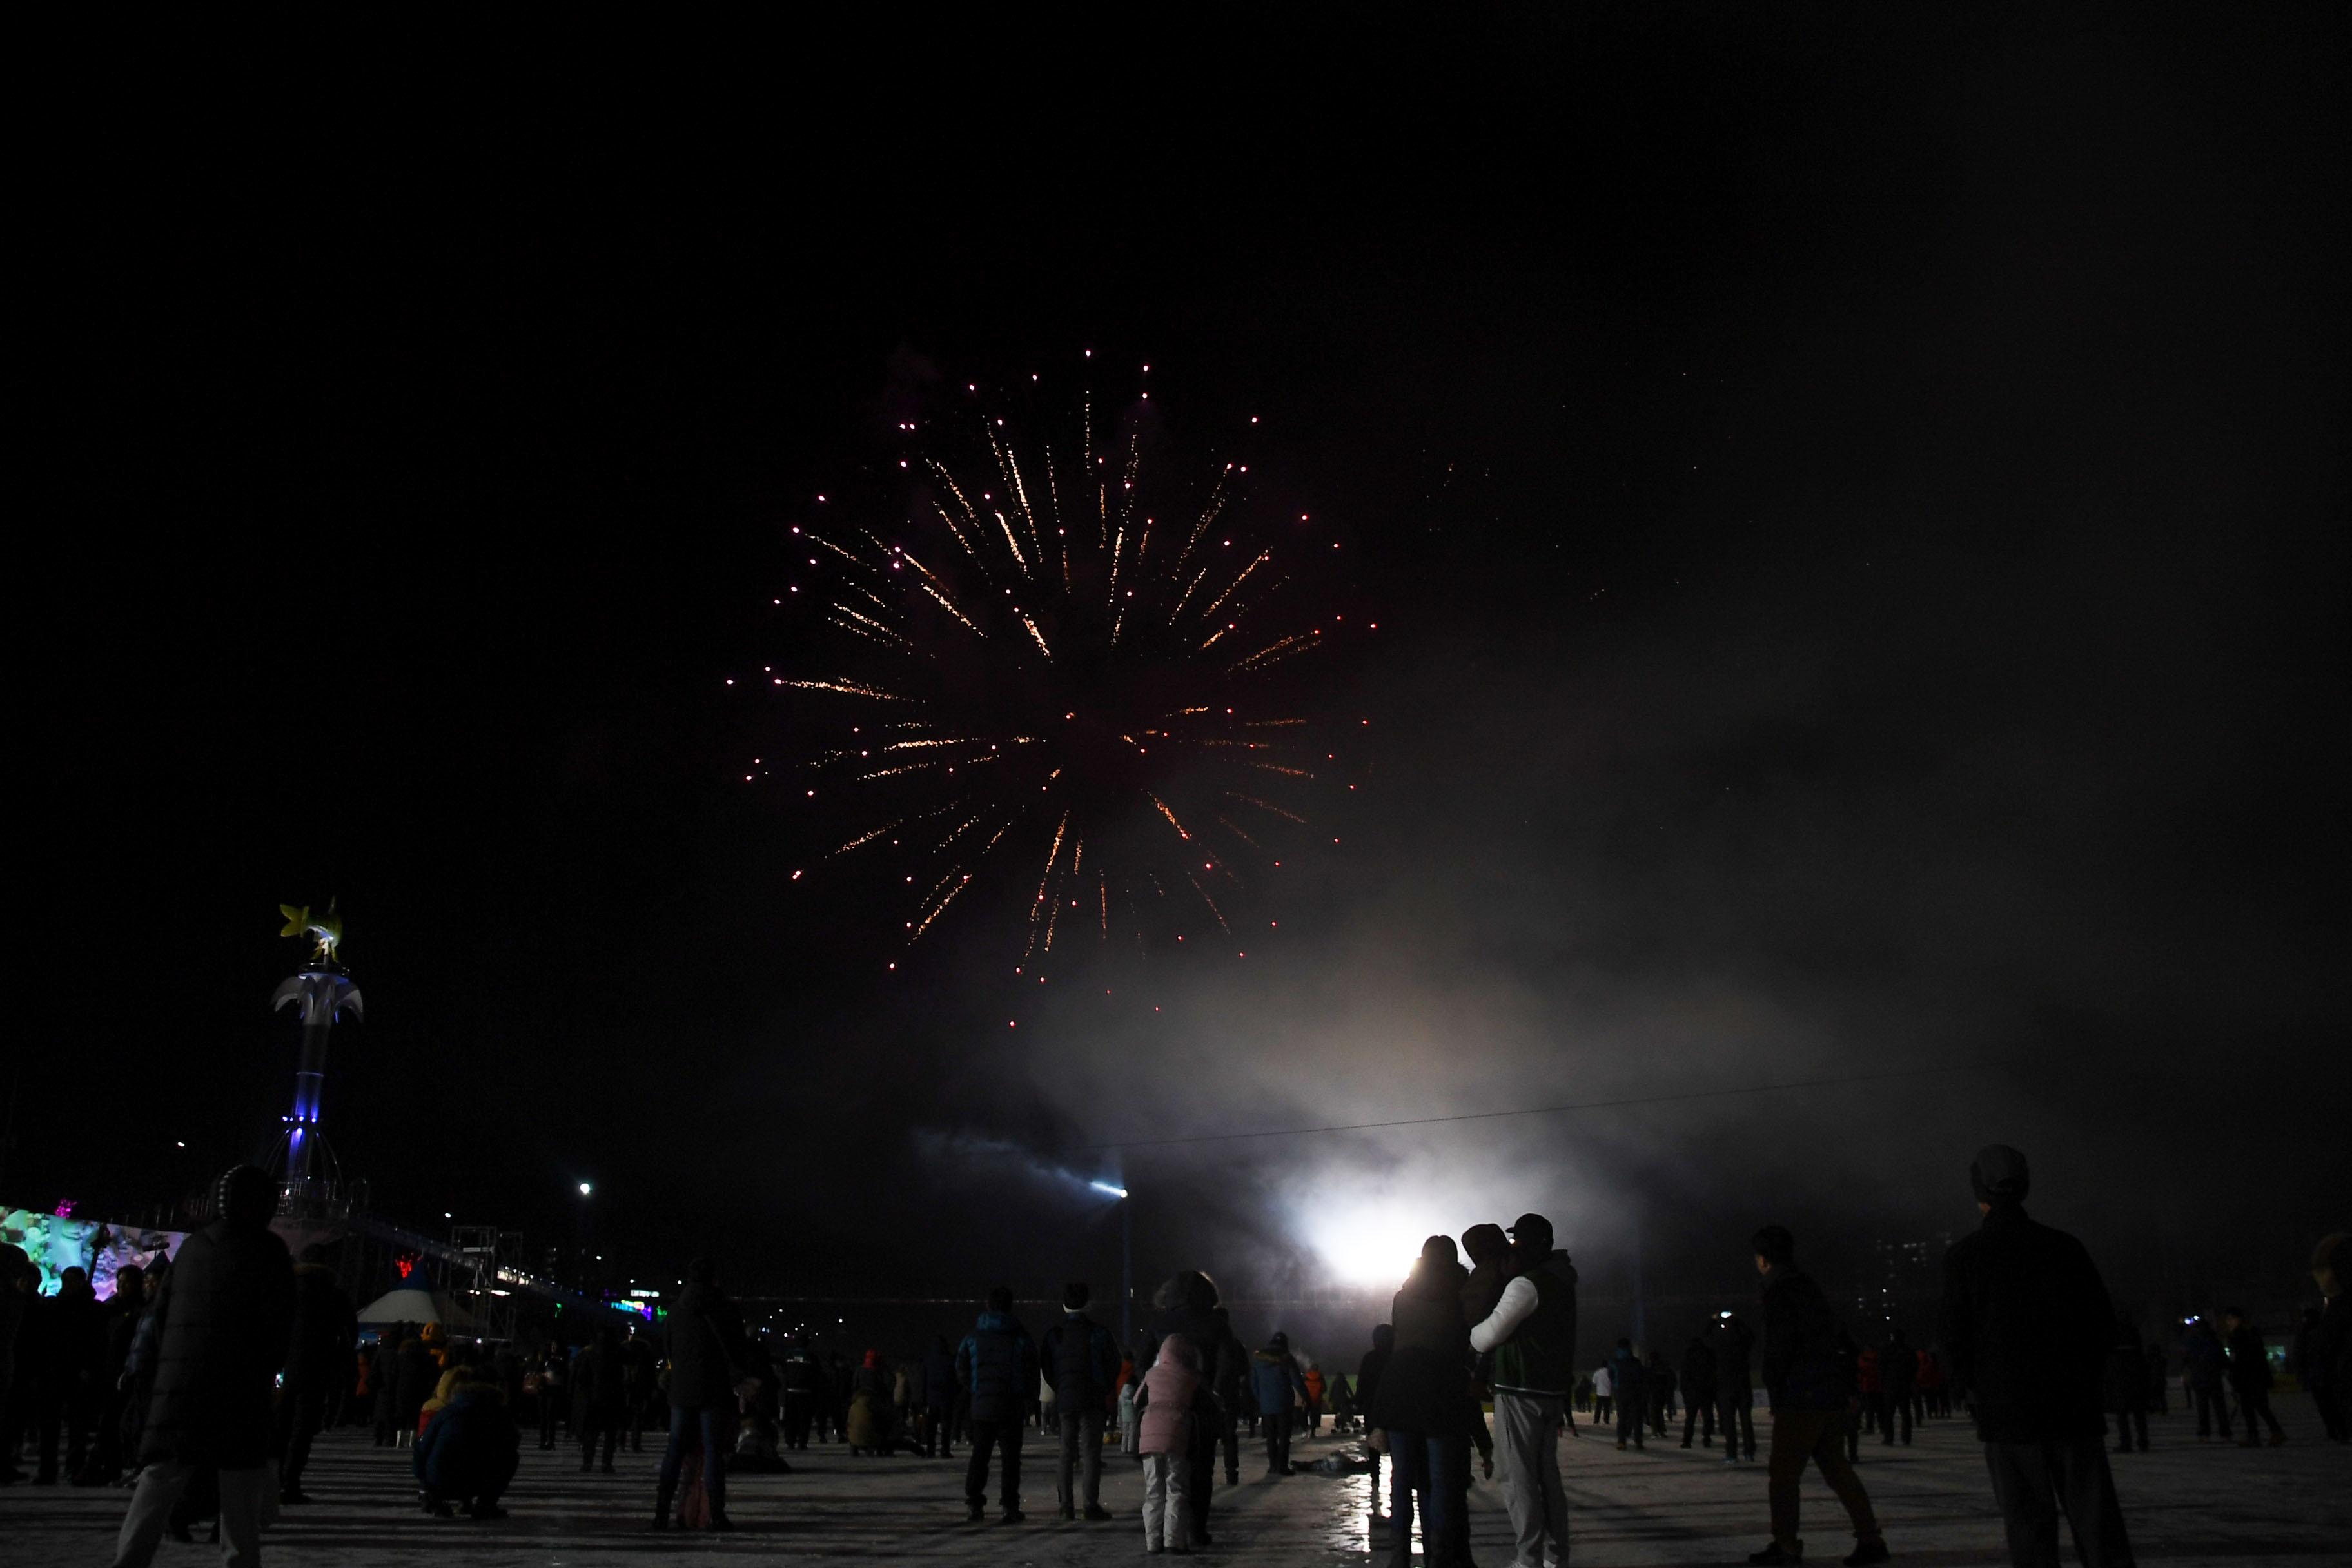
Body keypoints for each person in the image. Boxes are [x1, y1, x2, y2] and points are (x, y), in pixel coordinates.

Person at [1939, 1143, 2132, 1568]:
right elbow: (2102, 1326)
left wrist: (1970, 1387)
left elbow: (1954, 1338)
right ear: (2025, 1187)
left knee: (2028, 1527)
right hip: (2072, 1409)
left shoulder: (1965, 1258)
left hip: (2007, 1413)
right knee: (2097, 1523)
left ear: (1980, 1194)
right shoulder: (2064, 1248)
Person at [109, 1166, 297, 1568]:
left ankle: (129, 1561)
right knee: (239, 1490)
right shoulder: (269, 1251)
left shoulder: (192, 1248)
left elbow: (158, 1319)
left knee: (160, 1478)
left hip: (181, 1383)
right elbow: (280, 1325)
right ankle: (238, 1562)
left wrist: (161, 1371)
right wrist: (269, 1371)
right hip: (241, 1386)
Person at [1749, 1224, 1886, 1568]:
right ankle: (1870, 1538)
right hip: (1828, 1393)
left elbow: (1780, 1348)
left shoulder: (1779, 1292)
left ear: (1764, 1259)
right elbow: (1838, 1338)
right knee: (1837, 1468)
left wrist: (1777, 1390)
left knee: (1783, 1475)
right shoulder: (1809, 1287)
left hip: (1802, 1395)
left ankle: (1786, 1545)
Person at [1467, 1212, 1577, 1568]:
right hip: (1551, 1390)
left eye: (1517, 1241)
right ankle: (1556, 1556)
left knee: (1517, 1478)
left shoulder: (1527, 1284)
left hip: (1520, 1387)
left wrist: (1469, 1334)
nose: (1512, 1248)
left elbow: (1488, 1336)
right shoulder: (1562, 1280)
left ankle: (1528, 1558)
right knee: (1547, 1477)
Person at [1369, 1235, 1471, 1568]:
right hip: (1440, 1390)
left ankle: (1398, 1558)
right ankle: (1438, 1556)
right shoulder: (1458, 1296)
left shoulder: (1403, 1297)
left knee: (1402, 1480)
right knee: (1439, 1481)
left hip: (1399, 1388)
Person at [1135, 1272, 1237, 1547]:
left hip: (1164, 1408)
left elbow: (1141, 1364)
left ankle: (1158, 1536)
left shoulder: (1159, 1324)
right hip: (1202, 1408)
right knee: (1202, 1470)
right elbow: (1229, 1365)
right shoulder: (1217, 1324)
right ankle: (1196, 1529)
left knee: (1162, 1479)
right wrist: (1214, 1392)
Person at [654, 1257, 749, 1531]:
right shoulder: (727, 1310)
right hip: (714, 1390)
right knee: (713, 1452)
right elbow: (738, 1349)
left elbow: (668, 1349)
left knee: (675, 1450)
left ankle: (661, 1513)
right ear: (714, 1279)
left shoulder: (674, 1311)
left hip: (681, 1390)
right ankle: (715, 1515)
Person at [273, 1244, 354, 1504]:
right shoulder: (334, 1293)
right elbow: (350, 1334)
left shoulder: (286, 1289)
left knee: (280, 1427)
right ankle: (291, 1482)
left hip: (284, 1366)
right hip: (317, 1368)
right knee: (302, 1430)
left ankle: (272, 1479)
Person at [957, 1284, 1037, 1524]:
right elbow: (1032, 1367)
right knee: (1011, 1460)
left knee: (980, 1455)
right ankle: (1009, 1506)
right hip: (1010, 1405)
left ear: (988, 1306)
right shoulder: (1020, 1337)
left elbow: (961, 1367)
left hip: (982, 1405)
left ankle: (974, 1504)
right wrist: (1024, 1395)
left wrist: (975, 1388)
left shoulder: (973, 1337)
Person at [1040, 1280, 1118, 1520]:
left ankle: (1066, 1506)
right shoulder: (1100, 1333)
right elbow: (1113, 1365)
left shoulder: (1054, 1335)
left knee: (1066, 1453)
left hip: (1066, 1400)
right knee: (1091, 1453)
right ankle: (1090, 1505)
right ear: (1088, 1304)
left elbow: (1047, 1367)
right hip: (1092, 1399)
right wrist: (1102, 1387)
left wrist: (1061, 1389)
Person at [413, 1353, 520, 1518]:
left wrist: (425, 1483)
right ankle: (485, 1503)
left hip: (441, 1481)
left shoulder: (447, 1412)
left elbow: (422, 1448)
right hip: (478, 1482)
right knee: (510, 1457)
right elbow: (513, 1443)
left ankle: (434, 1498)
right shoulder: (499, 1414)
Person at [34, 1265, 104, 1485]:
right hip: (55, 1371)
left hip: (77, 1372)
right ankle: (48, 1470)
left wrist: (89, 1368)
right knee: (50, 1425)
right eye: (67, 1281)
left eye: (73, 1281)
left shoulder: (91, 1309)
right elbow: (46, 1339)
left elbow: (95, 1342)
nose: (69, 1285)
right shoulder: (56, 1306)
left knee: (77, 1426)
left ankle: (73, 1468)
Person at [1135, 1332, 1201, 1554]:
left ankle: (1152, 1543)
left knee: (1153, 1492)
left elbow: (1136, 1401)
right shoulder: (1191, 1376)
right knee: (1176, 1489)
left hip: (1149, 1438)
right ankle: (1173, 1542)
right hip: (1177, 1436)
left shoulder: (1151, 1374)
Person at [2219, 1308, 2286, 1447]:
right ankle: (2262, 1434)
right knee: (2255, 1407)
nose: (2228, 1323)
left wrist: (2232, 1368)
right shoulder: (2249, 1333)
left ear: (2238, 1319)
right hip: (2254, 1376)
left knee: (2254, 1407)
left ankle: (2264, 1434)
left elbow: (2241, 1359)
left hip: (2249, 1377)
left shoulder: (2240, 1335)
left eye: (2230, 1320)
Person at [2307, 1233, 2350, 1442]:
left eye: (2323, 1271)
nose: (2319, 1279)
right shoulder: (2334, 1308)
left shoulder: (2341, 1309)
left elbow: (2328, 1351)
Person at [1251, 1330, 1308, 1474]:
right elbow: (1297, 1381)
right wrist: (1307, 1398)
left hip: (1266, 1406)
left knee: (1271, 1437)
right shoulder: (1287, 1358)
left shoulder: (1258, 1359)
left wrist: (1261, 1399)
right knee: (1284, 1437)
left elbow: (1254, 1383)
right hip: (1284, 1404)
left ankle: (1273, 1466)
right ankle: (1282, 1467)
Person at [576, 1326, 629, 1473]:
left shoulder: (590, 1353)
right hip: (613, 1398)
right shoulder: (618, 1353)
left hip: (594, 1399)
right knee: (610, 1434)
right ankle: (606, 1463)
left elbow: (582, 1377)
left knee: (591, 1434)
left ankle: (588, 1462)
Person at [1358, 1322, 1395, 1520]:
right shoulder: (1396, 1357)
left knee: (1374, 1448)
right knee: (1398, 1449)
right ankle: (1398, 1482)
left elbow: (1363, 1384)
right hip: (1395, 1410)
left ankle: (1375, 1480)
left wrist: (1360, 1403)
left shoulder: (1369, 1359)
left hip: (1373, 1410)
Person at [1715, 1310, 1758, 1462]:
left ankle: (1732, 1454)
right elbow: (1751, 1336)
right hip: (1743, 1387)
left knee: (1729, 1424)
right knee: (1746, 1422)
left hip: (1726, 1388)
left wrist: (1714, 1320)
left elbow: (1706, 1337)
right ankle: (1749, 1451)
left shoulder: (1720, 1347)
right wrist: (1738, 1321)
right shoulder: (1742, 1347)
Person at [2103, 1315, 2148, 1454]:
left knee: (2122, 1415)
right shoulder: (2135, 1344)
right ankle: (2143, 1442)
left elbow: (2110, 1367)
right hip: (2135, 1381)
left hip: (2121, 1383)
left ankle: (2126, 1442)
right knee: (2138, 1414)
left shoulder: (2114, 1346)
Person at [2180, 1317, 2230, 1440]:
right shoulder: (2214, 1340)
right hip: (2214, 1377)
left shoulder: (2193, 1341)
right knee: (2219, 1406)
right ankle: (2225, 1431)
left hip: (2199, 1377)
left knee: (2203, 1407)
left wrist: (2189, 1370)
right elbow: (2223, 1359)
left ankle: (2204, 1431)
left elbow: (2186, 1359)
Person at [847, 1350, 893, 1454]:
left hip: (858, 1403)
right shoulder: (879, 1372)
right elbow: (890, 1383)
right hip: (875, 1403)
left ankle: (854, 1445)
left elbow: (854, 1385)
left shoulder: (859, 1371)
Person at [1879, 1329, 1916, 1446]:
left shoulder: (1888, 1350)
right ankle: (1906, 1438)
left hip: (1891, 1385)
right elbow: (1914, 1367)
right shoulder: (1908, 1351)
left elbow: (1882, 1367)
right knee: (1905, 1413)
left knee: (1889, 1414)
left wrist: (1883, 1381)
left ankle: (1889, 1438)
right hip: (1904, 1385)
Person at [921, 1335, 957, 1457]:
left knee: (931, 1427)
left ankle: (931, 1450)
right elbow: (955, 1380)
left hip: (932, 1399)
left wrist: (924, 1398)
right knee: (946, 1427)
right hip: (946, 1398)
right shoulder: (951, 1360)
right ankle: (945, 1450)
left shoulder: (928, 1360)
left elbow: (924, 1380)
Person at [1681, 1333, 1719, 1448]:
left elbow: (1684, 1376)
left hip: (1692, 1391)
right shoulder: (1709, 1355)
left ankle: (1687, 1441)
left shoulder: (1689, 1356)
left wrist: (1685, 1391)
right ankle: (1707, 1438)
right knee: (1708, 1416)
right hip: (1706, 1390)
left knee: (1690, 1418)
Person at [1609, 1339, 1644, 1449]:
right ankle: (1638, 1441)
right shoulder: (1636, 1362)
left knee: (1622, 1418)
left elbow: (1611, 1376)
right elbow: (1641, 1377)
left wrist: (1616, 1386)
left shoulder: (1614, 1362)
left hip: (1620, 1393)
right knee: (1637, 1418)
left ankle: (1621, 1442)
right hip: (1635, 1392)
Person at [1591, 1359, 1612, 1426]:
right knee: (1607, 1408)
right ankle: (1606, 1420)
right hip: (1608, 1393)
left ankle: (1596, 1420)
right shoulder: (1610, 1372)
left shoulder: (1598, 1372)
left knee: (1598, 1408)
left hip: (1600, 1392)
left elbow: (1594, 1382)